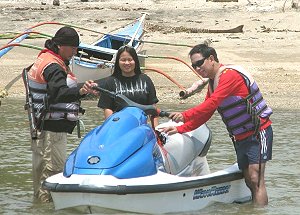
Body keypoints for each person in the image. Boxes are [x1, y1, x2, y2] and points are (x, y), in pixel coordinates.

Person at [160, 43, 273, 206]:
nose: (197, 69)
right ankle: (254, 209)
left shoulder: (229, 76)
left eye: (200, 63)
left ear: (211, 58)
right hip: (240, 137)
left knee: (256, 178)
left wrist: (184, 115)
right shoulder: (213, 83)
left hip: (258, 132)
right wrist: (180, 129)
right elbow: (205, 114)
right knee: (248, 178)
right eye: (194, 66)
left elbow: (212, 103)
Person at [24, 26, 95, 202]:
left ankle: (38, 206)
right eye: (73, 48)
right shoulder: (54, 67)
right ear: (61, 46)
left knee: (40, 173)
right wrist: (81, 91)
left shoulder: (43, 58)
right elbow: (58, 94)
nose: (75, 52)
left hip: (39, 126)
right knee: (53, 172)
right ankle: (47, 208)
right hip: (52, 130)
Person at [97, 45, 159, 126]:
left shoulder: (145, 80)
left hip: (141, 127)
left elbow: (153, 109)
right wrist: (111, 127)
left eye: (130, 60)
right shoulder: (110, 81)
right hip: (119, 126)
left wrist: (157, 131)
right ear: (118, 62)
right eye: (123, 60)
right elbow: (107, 108)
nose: (127, 63)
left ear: (135, 61)